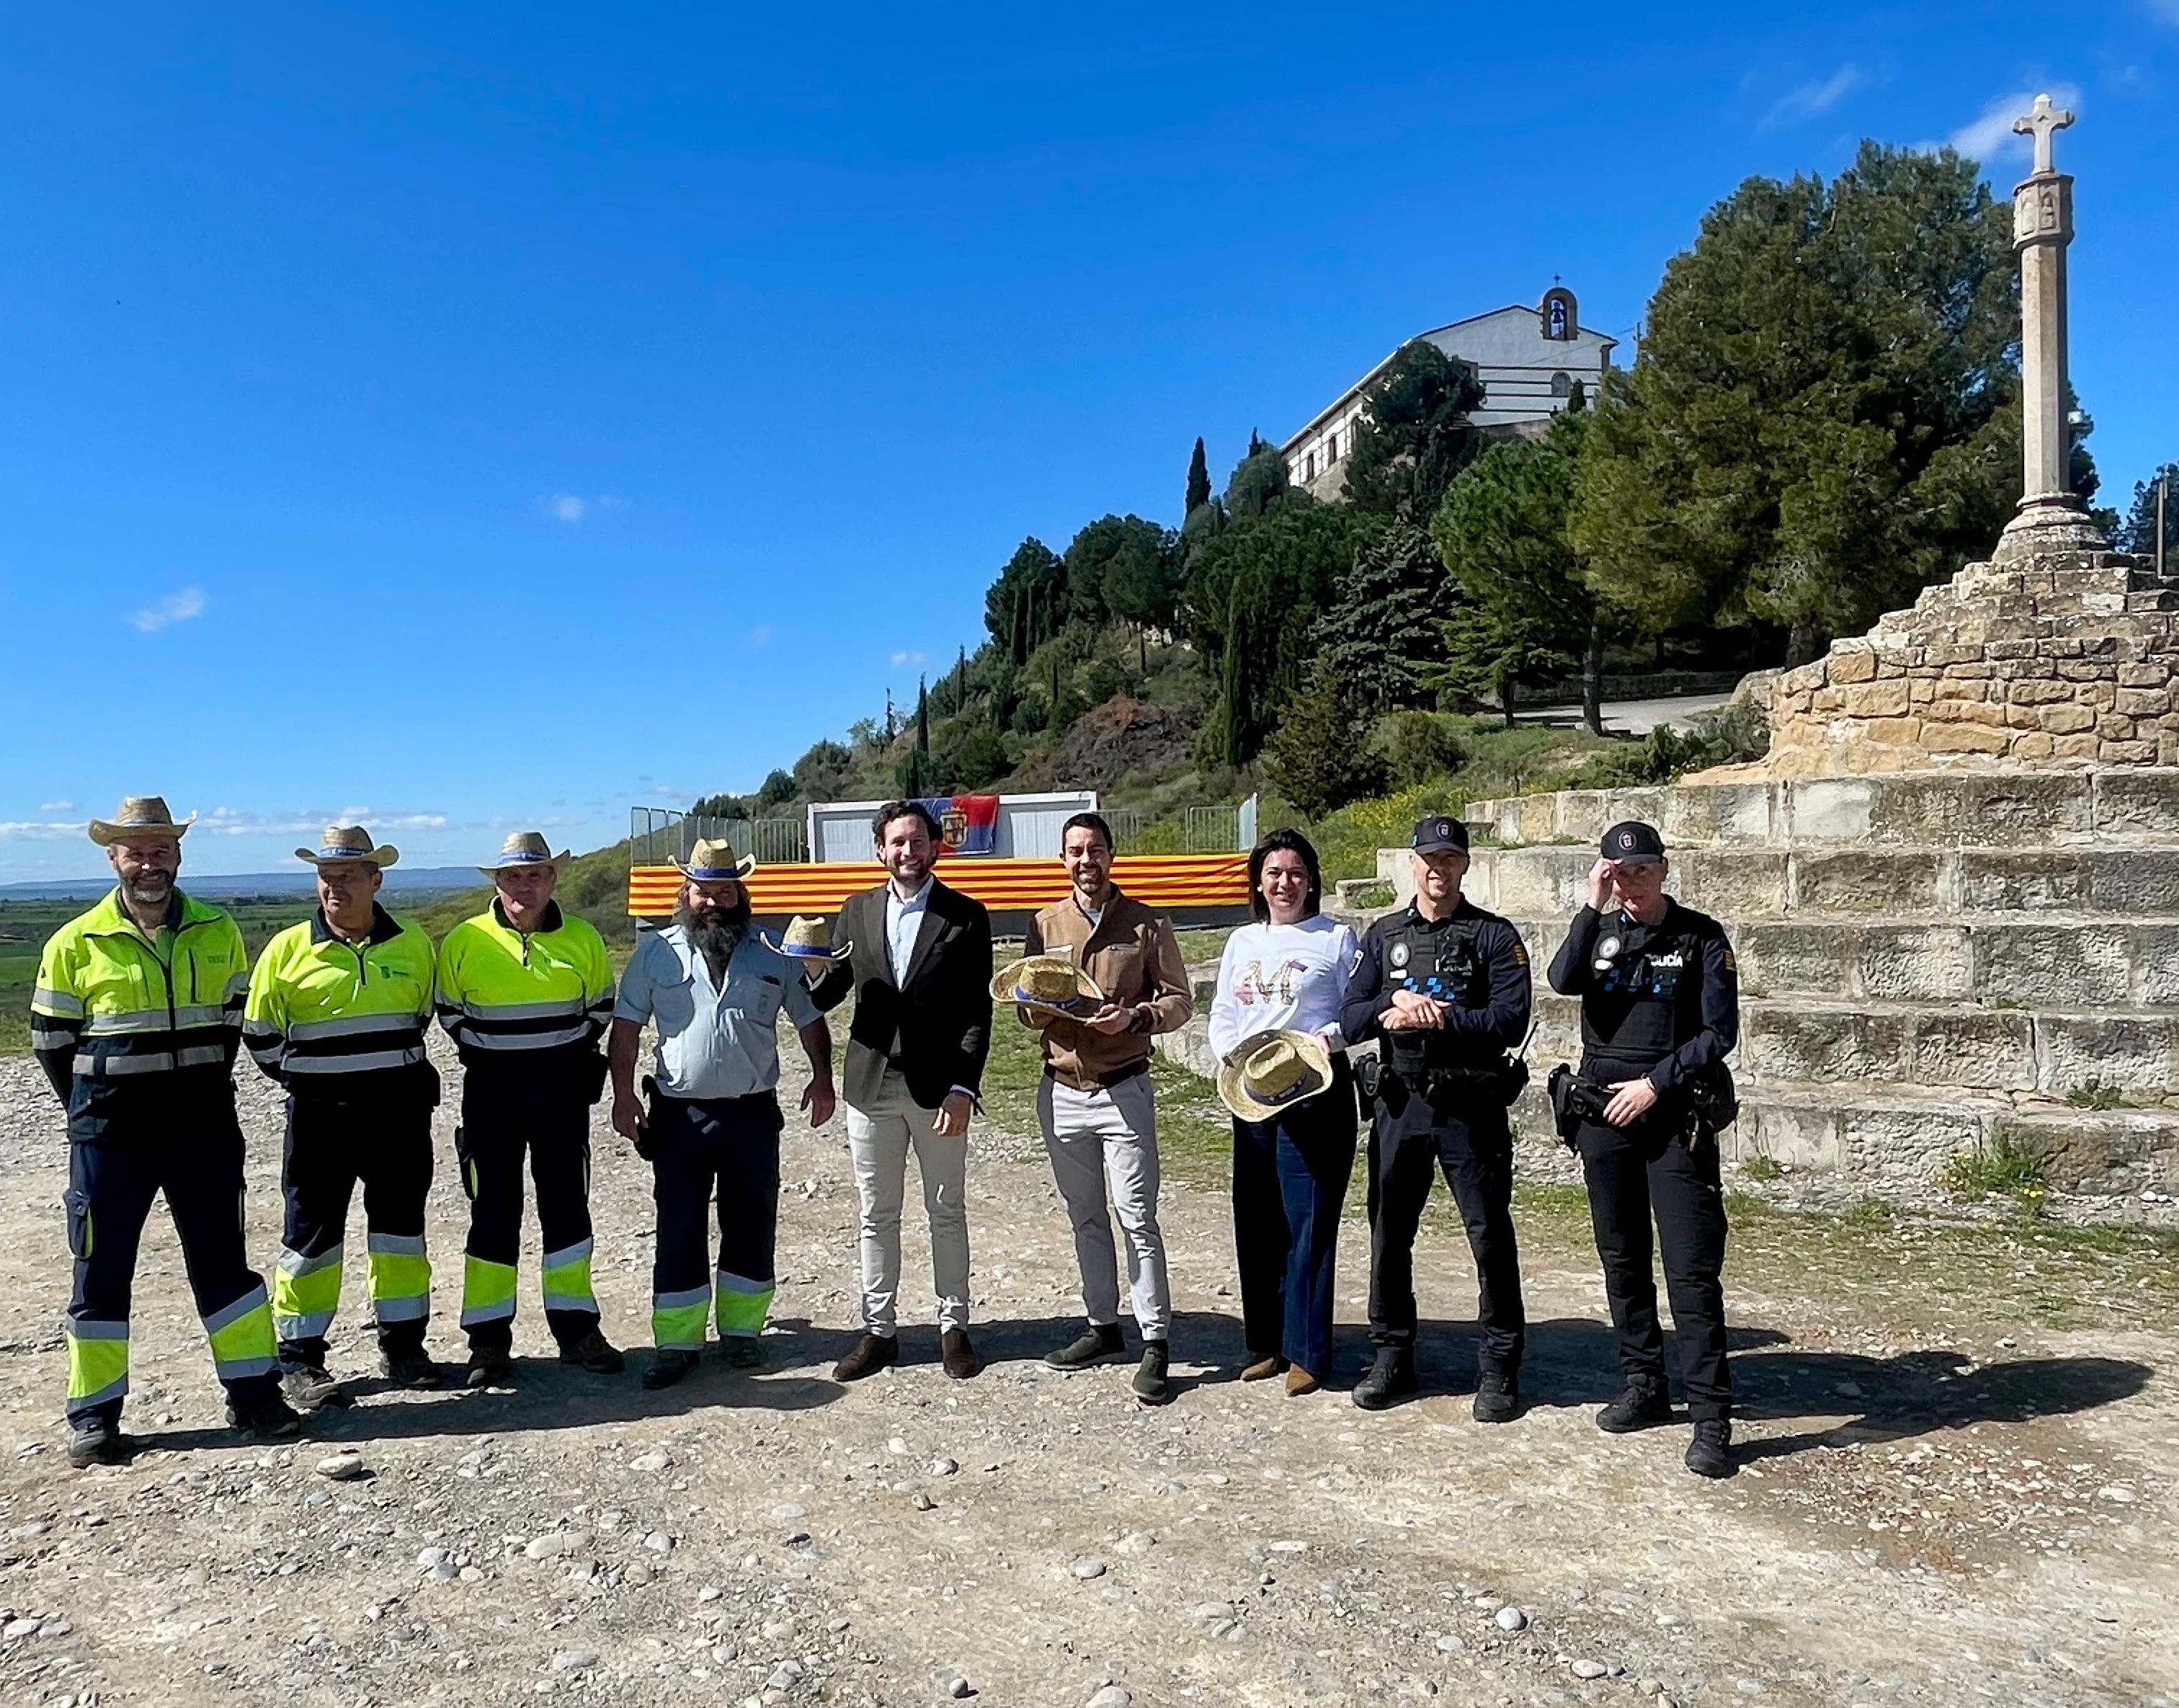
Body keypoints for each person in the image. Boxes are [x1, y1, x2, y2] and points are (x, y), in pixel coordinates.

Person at [31, 798, 298, 1466]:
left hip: (203, 1131)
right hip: (109, 1139)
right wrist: (95, 1107)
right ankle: (94, 1417)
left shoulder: (219, 928)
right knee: (100, 1274)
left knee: (224, 1267)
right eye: (136, 850)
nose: (149, 861)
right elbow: (51, 1043)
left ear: (178, 855)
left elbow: (233, 1021)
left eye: (161, 849)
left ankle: (255, 1396)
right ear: (113, 857)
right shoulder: (74, 942)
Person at [1546, 819, 1742, 1480]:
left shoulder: (1701, 936)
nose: (1630, 883)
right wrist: (1589, 903)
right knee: (1622, 1257)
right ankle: (1644, 1385)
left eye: (1640, 872)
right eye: (1618, 872)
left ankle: (1712, 1418)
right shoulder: (1598, 928)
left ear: (1663, 871)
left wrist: (1656, 1085)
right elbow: (1562, 979)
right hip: (1603, 1115)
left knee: (1690, 1268)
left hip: (1671, 1114)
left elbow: (1720, 1032)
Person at [610, 839, 836, 1388]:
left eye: (723, 891)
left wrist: (823, 1078)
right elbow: (626, 1029)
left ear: (741, 894)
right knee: (679, 1224)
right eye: (702, 891)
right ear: (685, 894)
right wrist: (622, 1095)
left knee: (752, 1221)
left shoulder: (771, 952)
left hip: (751, 1116)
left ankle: (741, 1334)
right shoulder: (656, 954)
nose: (712, 901)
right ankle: (678, 1343)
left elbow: (809, 1018)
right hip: (679, 1115)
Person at [1339, 814, 1531, 1418]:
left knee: (1488, 1236)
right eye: (1428, 859)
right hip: (1401, 1103)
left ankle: (1499, 1366)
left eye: (1450, 859)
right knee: (1390, 1234)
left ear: (1465, 866)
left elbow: (1511, 1019)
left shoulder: (1494, 936)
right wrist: (1391, 1004)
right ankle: (1392, 1354)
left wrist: (1445, 1019)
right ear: (1412, 865)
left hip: (1469, 1107)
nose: (1438, 869)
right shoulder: (1383, 935)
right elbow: (1349, 1018)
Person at [244, 826, 442, 1405]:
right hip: (319, 1119)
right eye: (327, 877)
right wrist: (310, 1080)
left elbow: (423, 1016)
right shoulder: (285, 950)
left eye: (349, 876)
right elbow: (259, 1035)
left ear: (376, 881)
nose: (335, 887)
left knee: (401, 1232)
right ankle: (301, 1360)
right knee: (311, 1236)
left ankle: (404, 1346)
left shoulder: (414, 945)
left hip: (399, 1117)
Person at [1008, 811, 1192, 1405]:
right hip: (1062, 1091)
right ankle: (1102, 1327)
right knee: (1085, 1216)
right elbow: (1025, 1001)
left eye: (1096, 850)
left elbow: (1179, 1001)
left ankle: (1155, 1340)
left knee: (1136, 1217)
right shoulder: (1043, 923)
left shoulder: (1146, 923)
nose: (1086, 860)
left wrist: (1137, 1018)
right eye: (1075, 851)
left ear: (1113, 856)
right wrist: (1036, 1010)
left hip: (1123, 1086)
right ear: (1063, 859)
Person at [806, 801, 994, 1382]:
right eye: (896, 842)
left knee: (946, 1209)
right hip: (871, 1086)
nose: (907, 852)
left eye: (917, 841)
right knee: (876, 1213)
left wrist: (965, 1086)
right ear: (878, 850)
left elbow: (976, 1010)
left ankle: (953, 1327)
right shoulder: (856, 911)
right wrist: (810, 966)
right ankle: (879, 1331)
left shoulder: (965, 915)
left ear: (936, 846)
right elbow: (829, 993)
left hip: (939, 1090)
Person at [434, 832, 623, 1387]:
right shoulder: (464, 940)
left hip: (562, 1096)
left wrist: (556, 1058)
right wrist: (498, 1058)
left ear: (553, 879)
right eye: (514, 875)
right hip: (490, 1095)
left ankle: (576, 1331)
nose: (525, 884)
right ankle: (488, 1343)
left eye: (536, 874)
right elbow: (450, 1013)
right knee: (492, 1216)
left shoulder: (584, 938)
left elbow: (600, 1009)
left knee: (567, 1211)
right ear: (496, 881)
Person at [1206, 829, 1360, 1396]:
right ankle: (1266, 1342)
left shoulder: (1336, 938)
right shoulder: (1242, 941)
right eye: (1274, 873)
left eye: (1295, 872)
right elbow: (1222, 1011)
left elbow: (1356, 1007)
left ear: (1312, 879)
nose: (1285, 883)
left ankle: (1308, 1350)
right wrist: (1233, 1055)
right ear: (1259, 882)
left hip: (1314, 1089)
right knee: (1257, 1216)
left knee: (1309, 1219)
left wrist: (1328, 1039)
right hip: (1254, 1090)